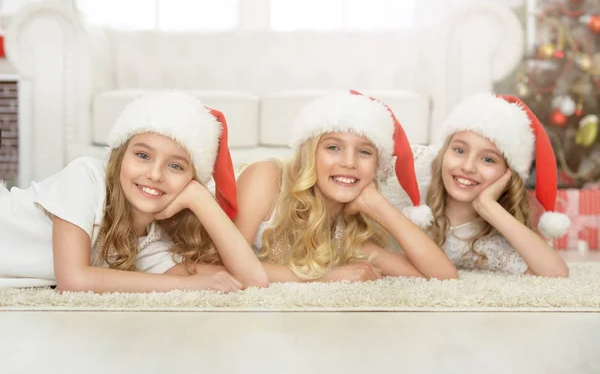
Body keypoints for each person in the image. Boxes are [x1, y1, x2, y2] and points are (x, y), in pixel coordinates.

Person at [0, 92, 269, 292]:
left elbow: (252, 280)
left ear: (191, 179)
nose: (155, 174)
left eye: (176, 166)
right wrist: (180, 284)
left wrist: (201, 200)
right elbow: (72, 280)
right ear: (119, 156)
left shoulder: (149, 244)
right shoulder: (86, 177)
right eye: (142, 155)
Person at [234, 90, 458, 283]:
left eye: (364, 152)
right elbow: (227, 264)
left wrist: (379, 206)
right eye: (333, 147)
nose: (349, 163)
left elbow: (443, 275)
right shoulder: (267, 176)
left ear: (376, 167)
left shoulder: (344, 232)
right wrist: (325, 277)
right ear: (310, 153)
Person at [384, 93, 570, 277]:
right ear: (444, 152)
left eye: (488, 159)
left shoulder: (487, 242)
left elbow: (555, 272)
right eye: (459, 150)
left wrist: (488, 206)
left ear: (508, 174)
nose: (467, 167)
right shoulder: (414, 171)